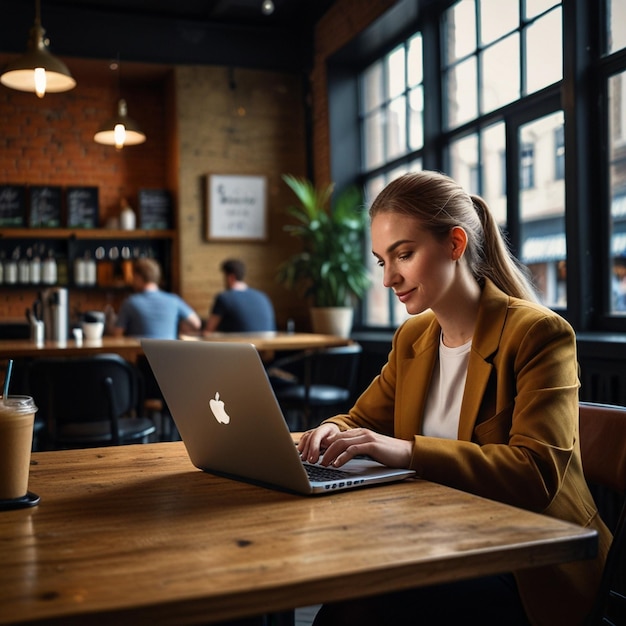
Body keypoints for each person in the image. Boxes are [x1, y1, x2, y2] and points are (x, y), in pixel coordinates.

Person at [297, 170, 611, 626]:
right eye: (382, 261)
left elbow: (537, 472)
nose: (389, 278)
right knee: (346, 606)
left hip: (530, 561)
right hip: (437, 537)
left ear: (455, 244)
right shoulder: (413, 338)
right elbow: (361, 419)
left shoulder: (539, 334)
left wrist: (408, 451)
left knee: (359, 611)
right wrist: (332, 430)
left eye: (403, 255)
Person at [112, 258, 201, 339]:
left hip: (141, 355)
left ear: (138, 277)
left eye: (133, 277)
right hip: (170, 354)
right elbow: (196, 323)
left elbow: (117, 334)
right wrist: (181, 329)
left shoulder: (130, 302)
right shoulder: (174, 300)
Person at [204, 258, 276, 333]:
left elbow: (208, 331)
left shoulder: (224, 298)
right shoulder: (263, 296)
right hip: (265, 343)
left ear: (231, 277)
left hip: (238, 344)